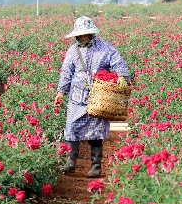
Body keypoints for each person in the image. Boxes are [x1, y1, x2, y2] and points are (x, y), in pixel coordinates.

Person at [55, 16, 131, 177]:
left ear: (91, 33)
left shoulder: (105, 48)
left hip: (98, 97)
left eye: (86, 34)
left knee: (95, 132)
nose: (83, 37)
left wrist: (121, 76)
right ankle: (70, 161)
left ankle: (96, 165)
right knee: (71, 128)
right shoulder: (73, 51)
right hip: (77, 97)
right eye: (80, 35)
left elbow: (118, 62)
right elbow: (66, 72)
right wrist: (61, 92)